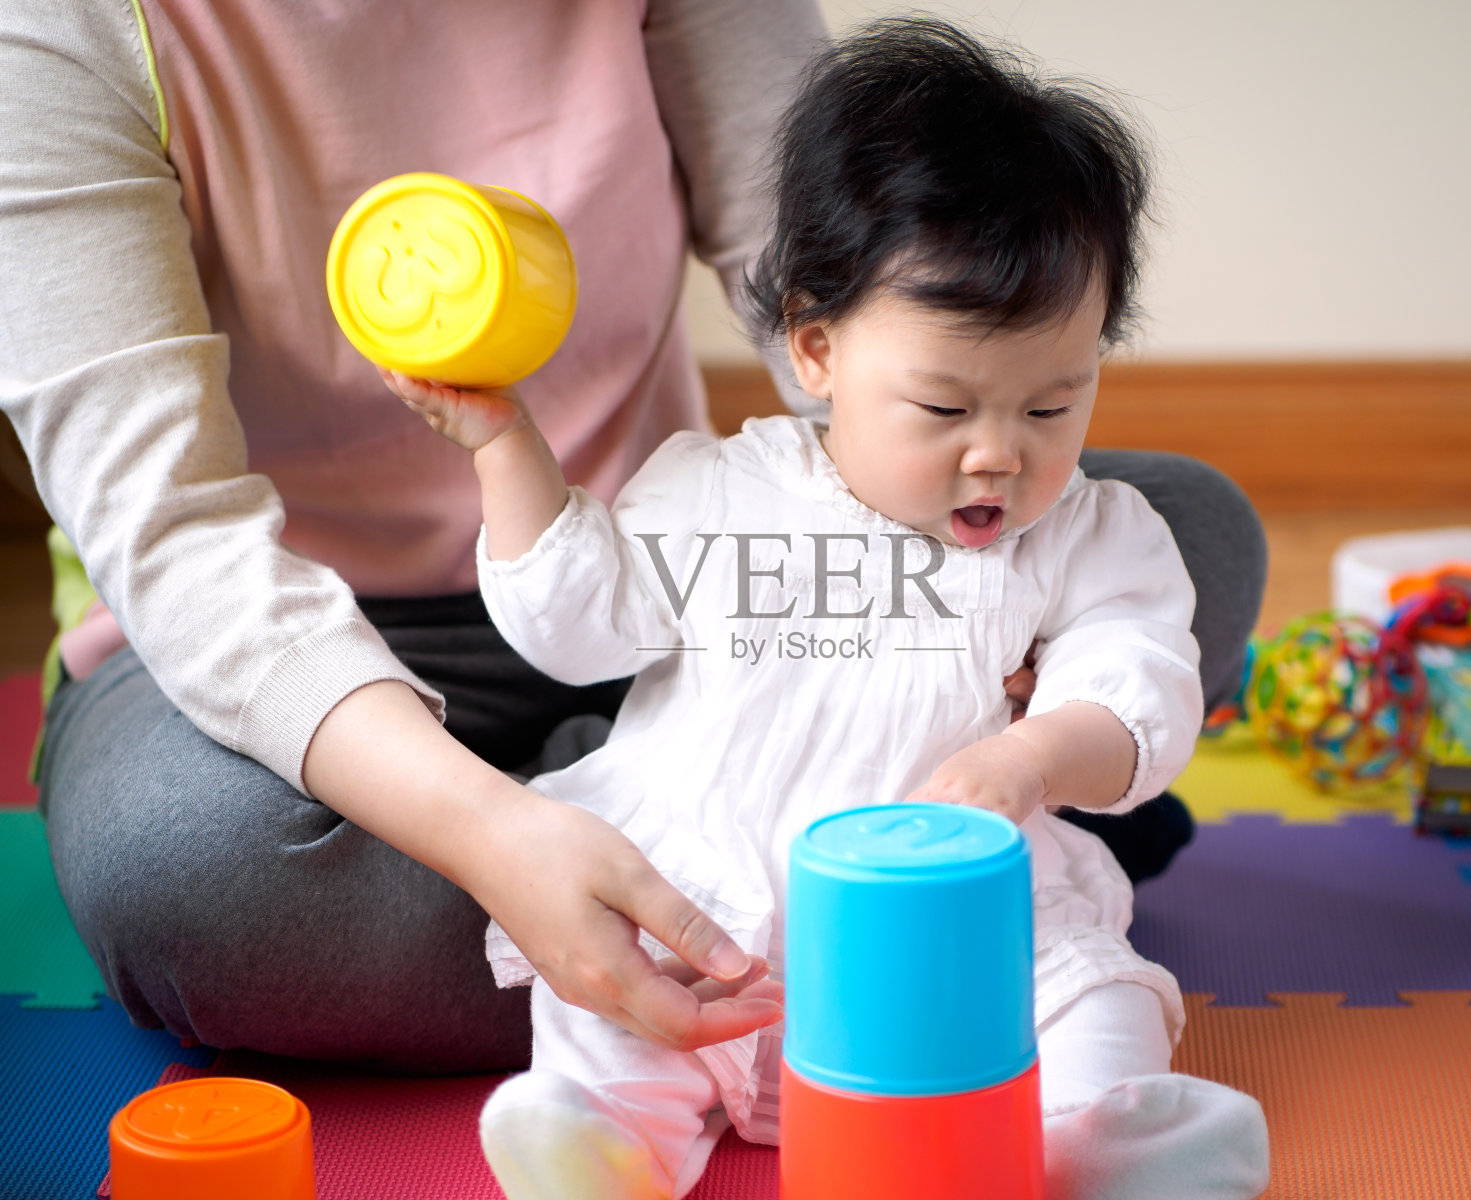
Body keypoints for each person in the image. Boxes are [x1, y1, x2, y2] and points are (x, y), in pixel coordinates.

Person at [2, 0, 1263, 1076]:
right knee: (184, 871)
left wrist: (959, 545)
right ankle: (856, 897)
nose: (1007, 442)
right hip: (289, 655)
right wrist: (492, 840)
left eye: (1058, 400)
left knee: (1190, 534)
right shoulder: (60, 32)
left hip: (689, 611)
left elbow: (849, 278)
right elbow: (178, 542)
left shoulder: (772, 455)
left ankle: (749, 865)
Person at [383, 19, 1270, 1199]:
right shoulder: (715, 489)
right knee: (602, 1019)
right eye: (945, 410)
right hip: (712, 933)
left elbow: (1138, 681)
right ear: (814, 349)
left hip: (954, 952)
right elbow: (575, 624)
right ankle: (602, 1144)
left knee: (1087, 995)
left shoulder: (1092, 533)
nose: (999, 457)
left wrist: (1032, 756)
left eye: (1052, 409)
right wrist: (504, 448)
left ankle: (1096, 1145)